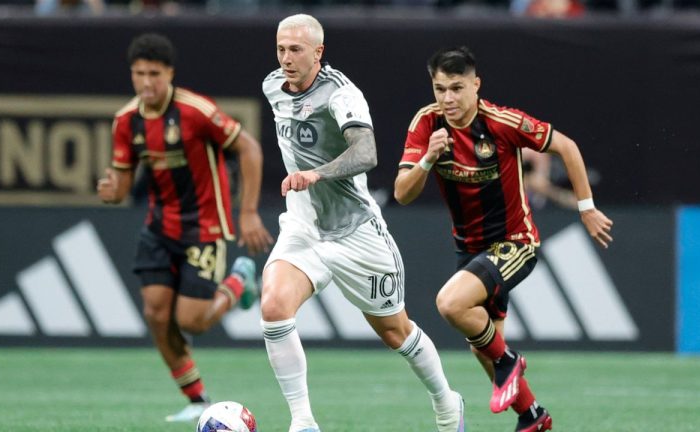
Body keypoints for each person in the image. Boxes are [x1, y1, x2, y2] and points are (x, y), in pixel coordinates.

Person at [260, 14, 465, 432]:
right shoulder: (271, 87)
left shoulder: (341, 94)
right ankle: (303, 422)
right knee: (274, 307)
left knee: (395, 332)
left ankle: (447, 402)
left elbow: (367, 152)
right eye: (281, 48)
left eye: (296, 49)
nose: (286, 58)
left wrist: (317, 173)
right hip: (304, 226)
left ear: (318, 52)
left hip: (356, 232)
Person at [394, 46, 613, 432]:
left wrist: (586, 207)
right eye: (439, 88)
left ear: (476, 85)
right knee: (482, 344)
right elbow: (401, 193)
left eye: (457, 88)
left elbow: (567, 146)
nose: (447, 99)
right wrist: (428, 160)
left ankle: (509, 360)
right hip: (470, 249)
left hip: (515, 242)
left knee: (450, 304)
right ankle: (533, 417)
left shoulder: (500, 122)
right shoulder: (427, 124)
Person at [97, 33, 273, 423]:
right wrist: (112, 191)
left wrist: (247, 213)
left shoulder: (196, 112)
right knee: (157, 315)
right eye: (139, 74)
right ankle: (195, 398)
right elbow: (124, 184)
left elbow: (250, 149)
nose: (146, 83)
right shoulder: (126, 120)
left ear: (170, 74)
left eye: (154, 74)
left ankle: (239, 282)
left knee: (191, 321)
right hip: (159, 227)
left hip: (205, 226)